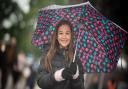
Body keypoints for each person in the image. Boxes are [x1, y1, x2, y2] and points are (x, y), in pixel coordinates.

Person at [36, 20, 85, 89]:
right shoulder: (48, 54)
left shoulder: (76, 59)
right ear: (56, 36)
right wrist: (58, 76)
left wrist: (76, 77)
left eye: (67, 33)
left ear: (71, 36)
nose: (64, 36)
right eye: (61, 33)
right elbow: (40, 81)